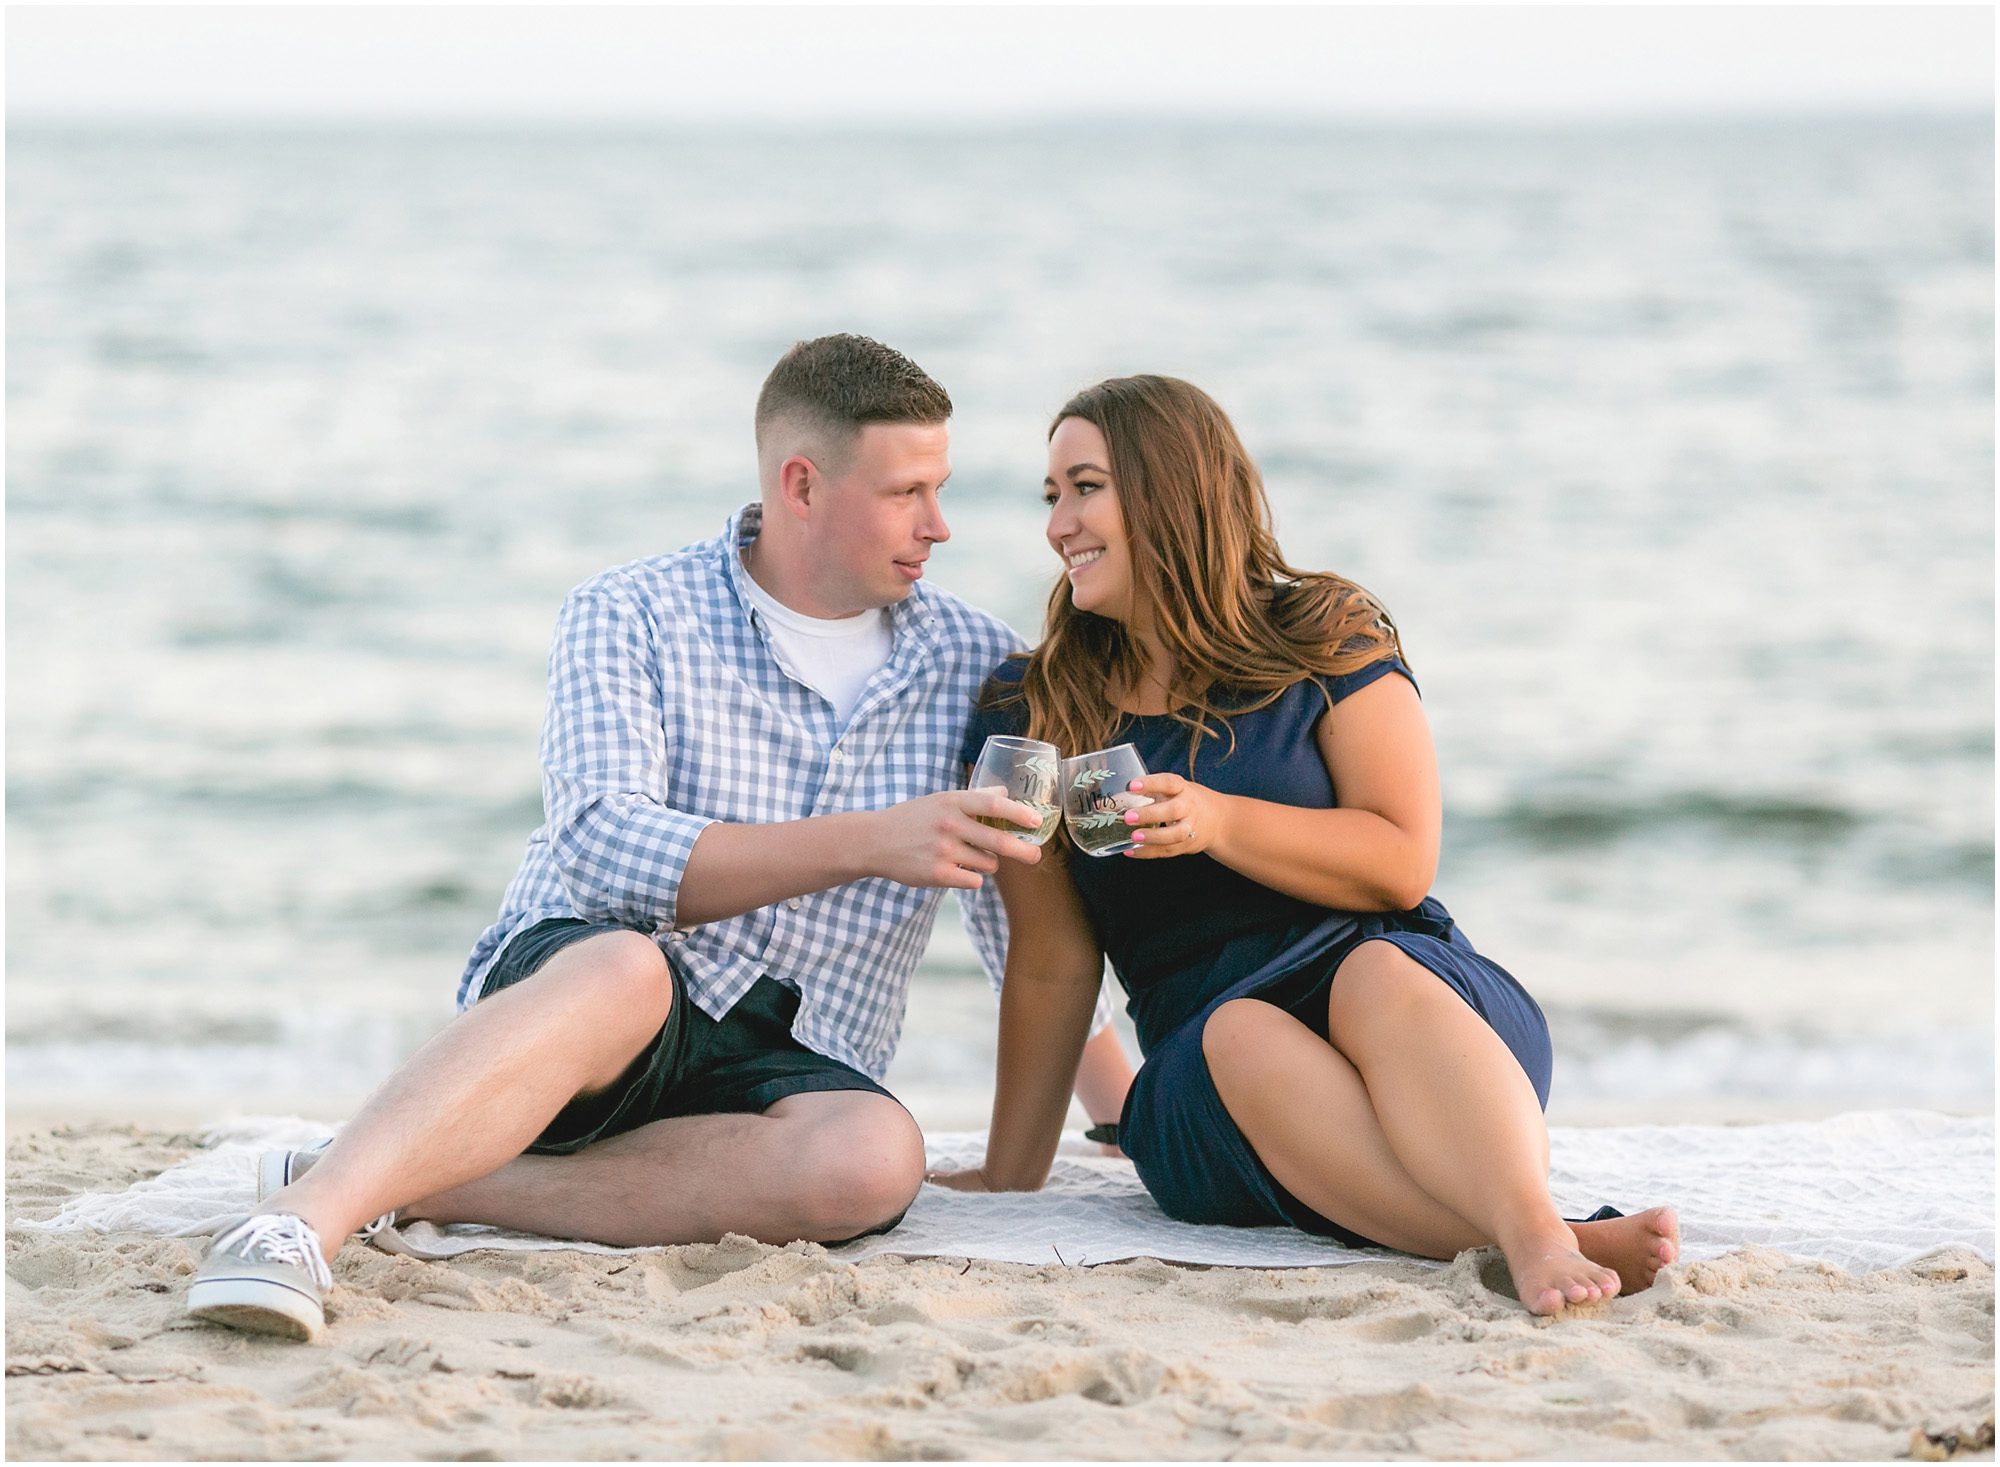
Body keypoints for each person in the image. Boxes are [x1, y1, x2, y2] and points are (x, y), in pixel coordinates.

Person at [185, 334, 1132, 1341]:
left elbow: (1015, 919)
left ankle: (431, 1180)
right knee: (626, 970)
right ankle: (303, 1220)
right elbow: (600, 845)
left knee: (874, 1157)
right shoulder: (629, 612)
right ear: (801, 485)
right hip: (587, 1027)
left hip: (794, 1059)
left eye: (939, 489)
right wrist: (864, 841)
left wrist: (1124, 1114)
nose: (938, 526)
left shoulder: (973, 659)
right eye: (906, 493)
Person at [930, 375, 1679, 1316]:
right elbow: (1050, 962)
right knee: (1243, 1029)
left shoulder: (1324, 632)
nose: (1057, 525)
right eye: (1052, 497)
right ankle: (1546, 1234)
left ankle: (1531, 1227)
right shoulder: (1032, 706)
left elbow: (1402, 858)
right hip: (1215, 1072)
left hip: (1416, 1013)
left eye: (1085, 487)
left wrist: (1218, 821)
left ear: (1172, 489)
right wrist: (1012, 1170)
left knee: (1372, 974)